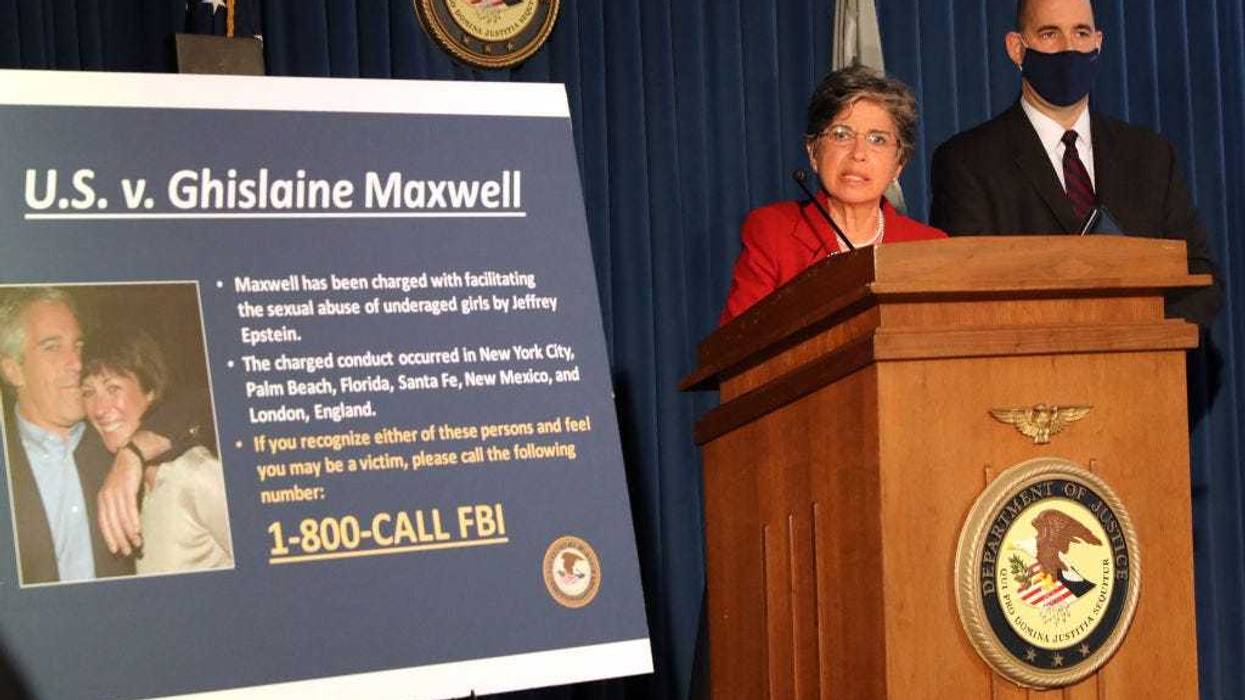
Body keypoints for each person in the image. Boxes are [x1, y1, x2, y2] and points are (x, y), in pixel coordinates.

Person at [929, 0, 1221, 328]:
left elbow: (1199, 273)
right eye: (1049, 33)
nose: (1069, 48)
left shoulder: (1150, 155)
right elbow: (968, 289)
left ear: (1098, 42)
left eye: (1080, 33)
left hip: (1146, 367)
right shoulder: (967, 161)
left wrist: (1139, 333)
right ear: (1016, 48)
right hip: (1028, 370)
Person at [0, 287, 205, 583]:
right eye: (52, 347)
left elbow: (199, 401)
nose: (77, 363)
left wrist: (133, 453)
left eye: (79, 346)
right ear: (13, 370)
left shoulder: (114, 437)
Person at [720, 65, 946, 324]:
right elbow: (736, 347)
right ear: (813, 152)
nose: (858, 153)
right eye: (841, 135)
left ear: (899, 164)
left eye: (877, 139)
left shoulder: (929, 246)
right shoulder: (773, 232)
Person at [80, 326, 232, 574]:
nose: (99, 408)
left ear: (150, 390)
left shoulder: (196, 474)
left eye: (112, 388)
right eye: (88, 392)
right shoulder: (133, 483)